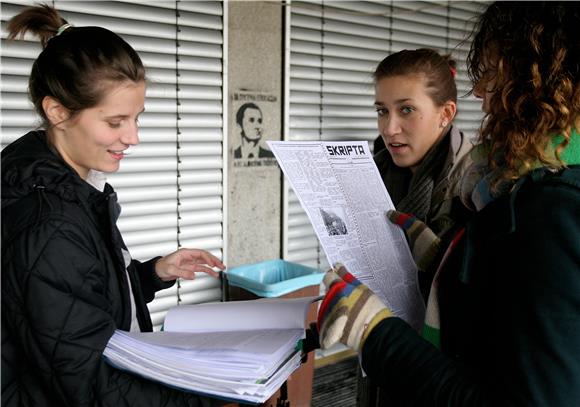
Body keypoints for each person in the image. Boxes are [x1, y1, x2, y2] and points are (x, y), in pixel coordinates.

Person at [318, 2, 580, 406]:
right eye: (381, 111)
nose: (479, 92)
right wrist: (446, 261)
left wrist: (375, 333)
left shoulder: (550, 208)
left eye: (491, 73)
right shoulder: (513, 187)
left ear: (537, 81)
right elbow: (504, 311)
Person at [1, 5, 227, 406]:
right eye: (115, 121)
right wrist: (220, 391)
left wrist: (153, 273)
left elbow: (72, 302)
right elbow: (90, 384)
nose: (133, 137)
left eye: (137, 118)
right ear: (58, 112)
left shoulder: (70, 184)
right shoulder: (49, 220)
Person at [359, 48, 475, 406]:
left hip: (446, 374)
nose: (389, 128)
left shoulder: (480, 188)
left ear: (445, 114)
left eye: (406, 110)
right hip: (379, 348)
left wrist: (440, 260)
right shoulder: (371, 173)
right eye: (382, 111)